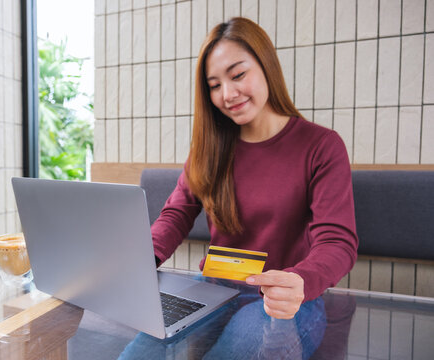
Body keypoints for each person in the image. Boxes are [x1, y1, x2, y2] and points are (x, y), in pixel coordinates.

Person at [151, 17, 358, 320]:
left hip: (282, 301)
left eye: (238, 75)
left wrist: (302, 280)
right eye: (215, 86)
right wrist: (142, 259)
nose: (227, 94)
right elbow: (176, 215)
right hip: (213, 289)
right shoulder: (209, 149)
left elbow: (337, 242)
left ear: (267, 65)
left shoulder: (321, 146)